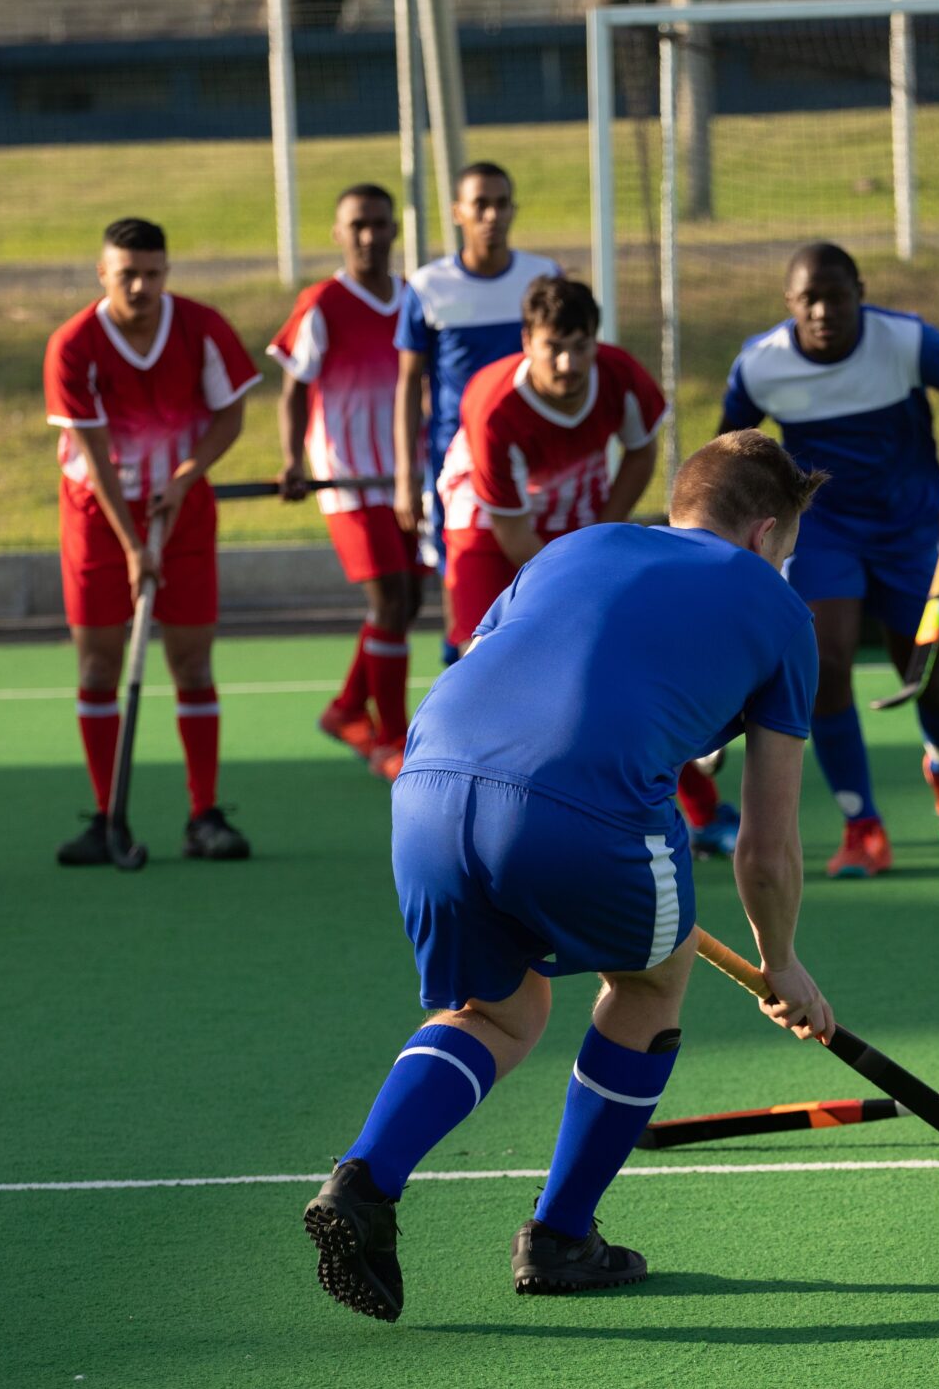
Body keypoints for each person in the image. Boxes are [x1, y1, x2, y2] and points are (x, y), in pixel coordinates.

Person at [301, 431, 832, 1322]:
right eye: (784, 551)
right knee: (653, 979)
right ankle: (560, 1234)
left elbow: (516, 673)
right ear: (764, 532)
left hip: (425, 787)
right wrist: (780, 962)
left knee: (499, 1008)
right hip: (577, 807)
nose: (780, 565)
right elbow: (767, 848)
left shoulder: (575, 546)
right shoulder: (780, 614)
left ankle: (365, 1179)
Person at [716, 241, 939, 879]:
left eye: (836, 296)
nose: (823, 311)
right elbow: (731, 449)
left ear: (859, 293)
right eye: (808, 299)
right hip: (822, 528)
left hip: (908, 525)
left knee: (922, 667)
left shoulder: (905, 342)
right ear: (789, 305)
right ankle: (861, 823)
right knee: (827, 660)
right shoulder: (761, 366)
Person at [43, 217, 260, 865]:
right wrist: (134, 545)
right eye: (126, 273)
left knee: (193, 664)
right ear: (102, 274)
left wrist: (187, 476)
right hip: (97, 515)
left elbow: (230, 414)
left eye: (152, 273)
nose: (140, 285)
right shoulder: (74, 344)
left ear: (167, 271)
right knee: (98, 667)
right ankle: (108, 815)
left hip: (182, 511)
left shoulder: (201, 328)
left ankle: (203, 815)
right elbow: (94, 451)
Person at [274, 183, 418, 780]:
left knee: (406, 603)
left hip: (407, 477)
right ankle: (391, 741)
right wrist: (293, 460)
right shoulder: (321, 302)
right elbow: (294, 388)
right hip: (347, 481)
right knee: (387, 600)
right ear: (338, 233)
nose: (368, 235)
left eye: (379, 223)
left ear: (393, 231)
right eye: (356, 224)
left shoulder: (414, 298)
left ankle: (343, 710)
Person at [434, 274, 665, 648]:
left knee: (585, 644)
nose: (568, 364)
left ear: (595, 339)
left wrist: (602, 538)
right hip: (486, 515)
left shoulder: (621, 376)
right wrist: (571, 581)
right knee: (484, 654)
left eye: (580, 346)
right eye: (554, 347)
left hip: (577, 500)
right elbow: (512, 532)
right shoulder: (495, 411)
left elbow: (641, 451)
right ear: (527, 341)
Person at [391, 162, 561, 662]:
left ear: (514, 209)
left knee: (539, 596)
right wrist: (406, 475)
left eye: (501, 203)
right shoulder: (428, 286)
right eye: (479, 204)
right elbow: (408, 383)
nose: (491, 215)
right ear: (458, 212)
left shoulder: (542, 277)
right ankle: (461, 722)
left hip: (538, 469)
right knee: (463, 607)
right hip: (459, 473)